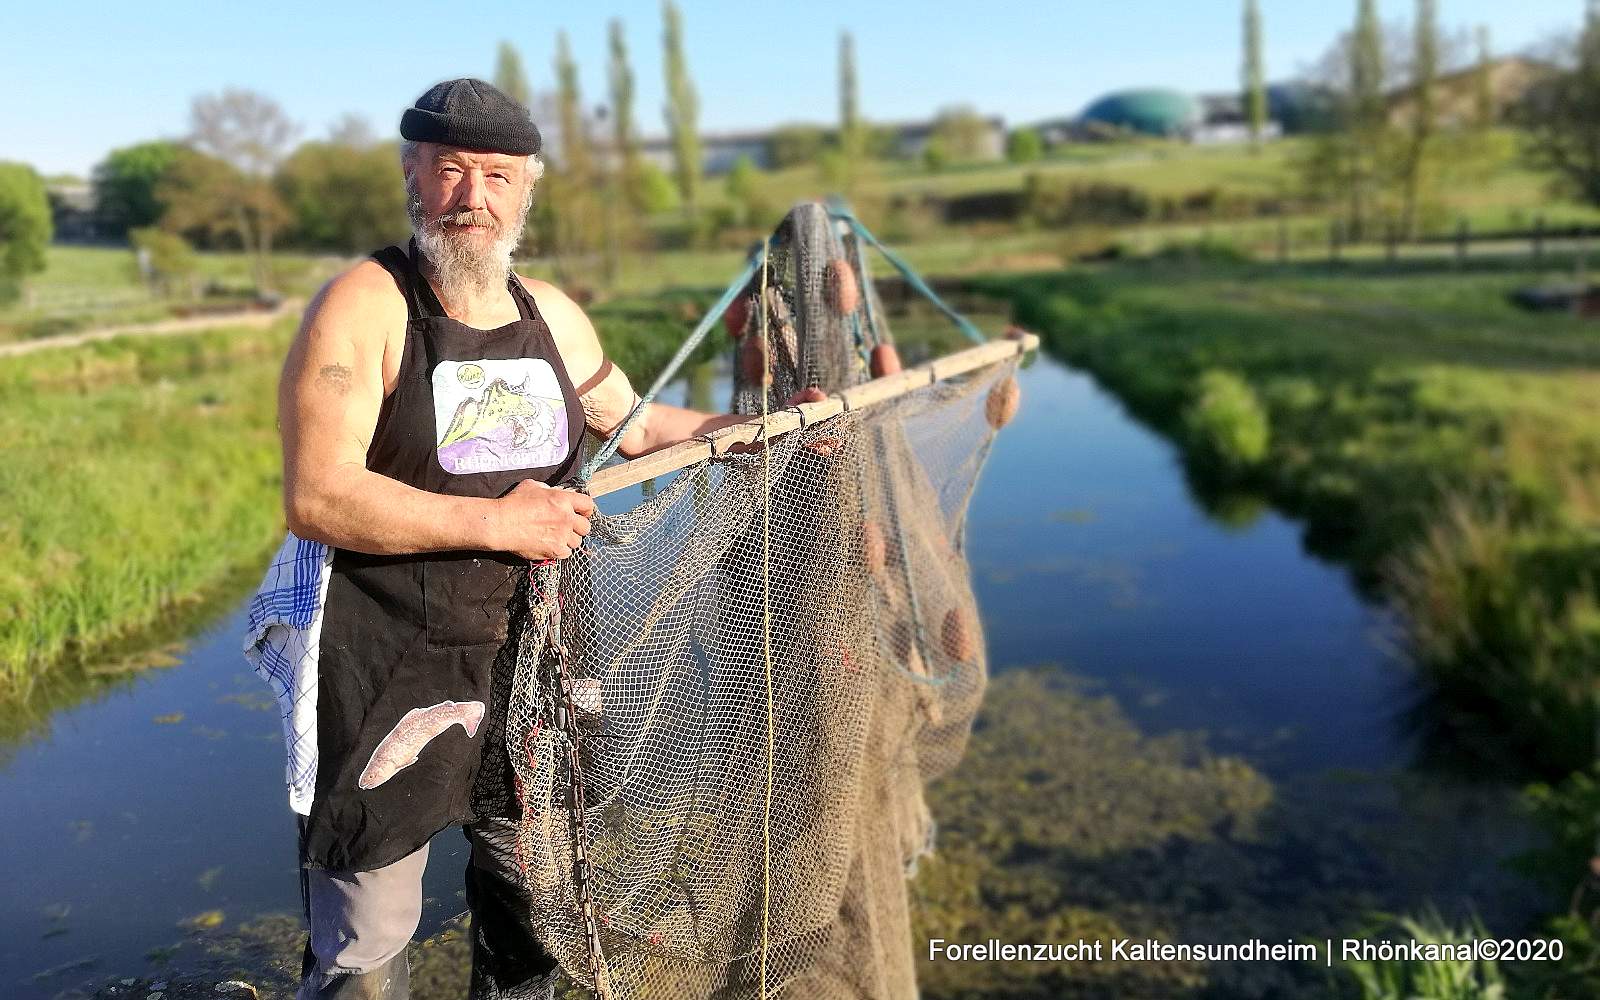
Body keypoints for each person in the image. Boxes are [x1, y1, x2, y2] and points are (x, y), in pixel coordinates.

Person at [277, 77, 817, 1000]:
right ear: (413, 172)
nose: (472, 196)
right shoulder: (364, 305)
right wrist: (494, 522)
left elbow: (638, 427)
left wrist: (767, 423)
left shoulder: (552, 316)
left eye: (496, 175)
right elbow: (319, 495)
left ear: (528, 187)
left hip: (539, 659)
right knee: (368, 935)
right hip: (388, 665)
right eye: (450, 170)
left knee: (532, 903)